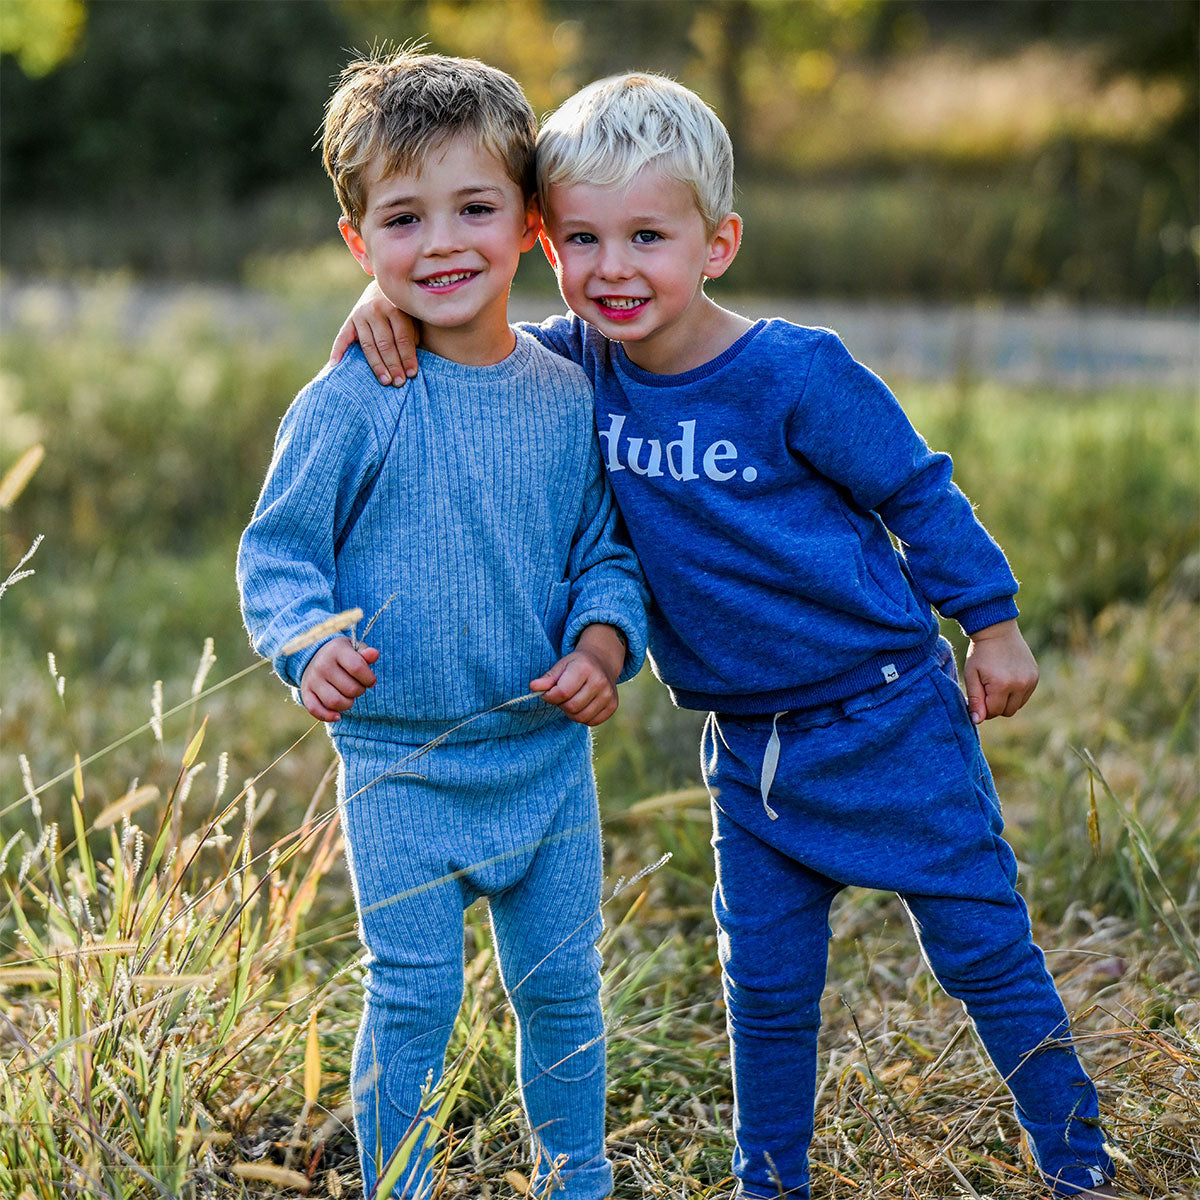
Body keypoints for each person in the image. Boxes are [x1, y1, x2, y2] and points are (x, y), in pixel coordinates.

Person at [329, 70, 1126, 1200]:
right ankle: (771, 1182)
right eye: (584, 239)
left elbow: (919, 494)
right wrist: (381, 308)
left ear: (719, 242)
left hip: (886, 717)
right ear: (545, 243)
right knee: (763, 987)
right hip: (748, 752)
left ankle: (1079, 1162)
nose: (615, 270)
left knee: (983, 953)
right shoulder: (576, 365)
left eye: (649, 236)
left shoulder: (796, 375)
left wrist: (990, 624)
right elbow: (462, 319)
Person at [237, 50, 647, 1200]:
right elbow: (277, 551)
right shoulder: (353, 400)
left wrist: (603, 646)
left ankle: (579, 1175)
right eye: (404, 219)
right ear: (358, 244)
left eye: (476, 208)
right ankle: (399, 1183)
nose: (445, 242)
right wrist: (308, 641)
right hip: (402, 765)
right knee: (412, 993)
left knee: (564, 988)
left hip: (545, 758)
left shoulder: (573, 392)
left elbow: (605, 551)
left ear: (530, 223)